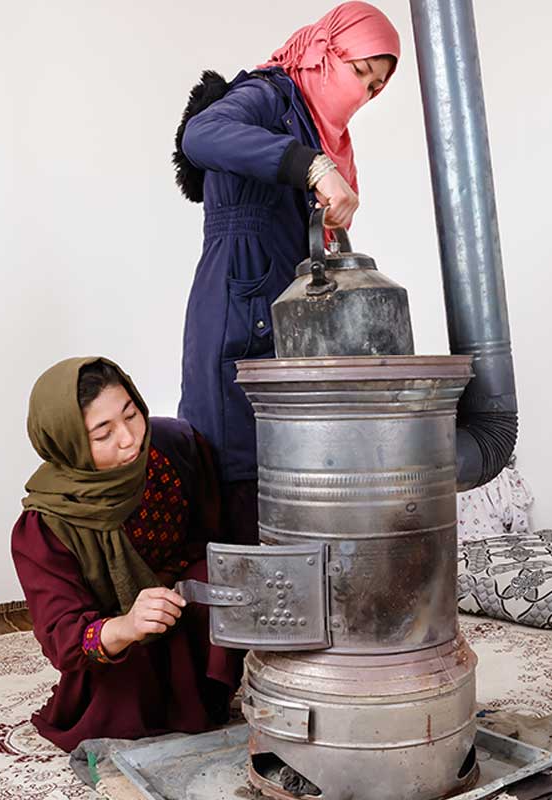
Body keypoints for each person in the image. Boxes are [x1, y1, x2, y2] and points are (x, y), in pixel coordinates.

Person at [174, 2, 401, 544]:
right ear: (326, 52)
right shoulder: (269, 96)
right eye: (359, 72)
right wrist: (314, 167)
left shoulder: (321, 131)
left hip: (286, 311)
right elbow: (201, 136)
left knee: (295, 481)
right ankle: (235, 622)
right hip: (239, 303)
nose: (361, 94)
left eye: (375, 88)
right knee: (238, 477)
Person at [11, 357, 242, 751]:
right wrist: (128, 625)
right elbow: (62, 638)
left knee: (218, 572)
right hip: (120, 653)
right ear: (68, 442)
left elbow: (210, 535)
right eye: (103, 434)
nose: (129, 439)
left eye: (131, 415)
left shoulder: (173, 448)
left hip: (184, 617)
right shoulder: (45, 526)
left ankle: (202, 691)